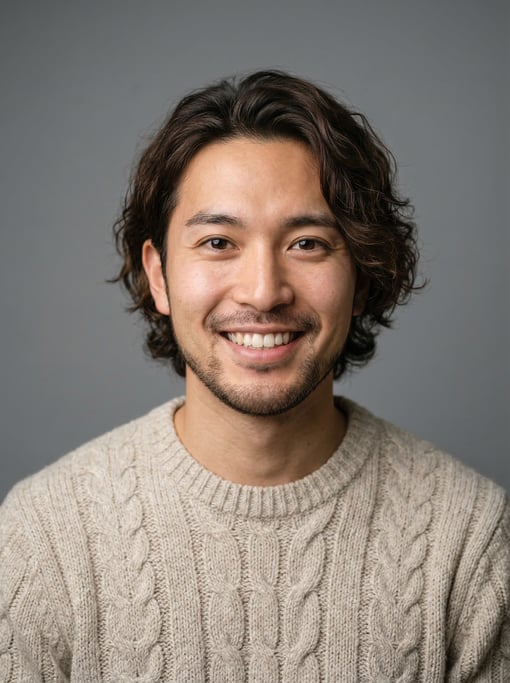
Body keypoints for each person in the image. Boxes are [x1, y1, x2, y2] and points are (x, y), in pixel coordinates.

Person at [0, 71, 508, 682]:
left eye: (308, 244)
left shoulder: (471, 539)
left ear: (363, 275)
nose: (264, 292)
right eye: (218, 242)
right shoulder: (42, 539)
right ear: (159, 276)